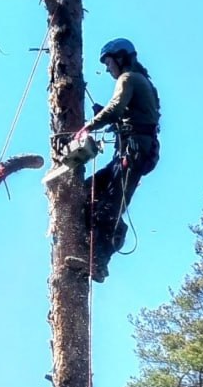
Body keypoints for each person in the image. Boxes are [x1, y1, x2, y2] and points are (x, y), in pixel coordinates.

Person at [69, 38, 160, 282]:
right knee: (88, 192)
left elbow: (116, 109)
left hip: (134, 153)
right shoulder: (141, 82)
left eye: (109, 62)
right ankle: (97, 242)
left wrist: (88, 126)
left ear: (121, 58)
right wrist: (106, 117)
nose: (108, 68)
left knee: (109, 206)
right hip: (131, 152)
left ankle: (98, 262)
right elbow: (127, 115)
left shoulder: (128, 78)